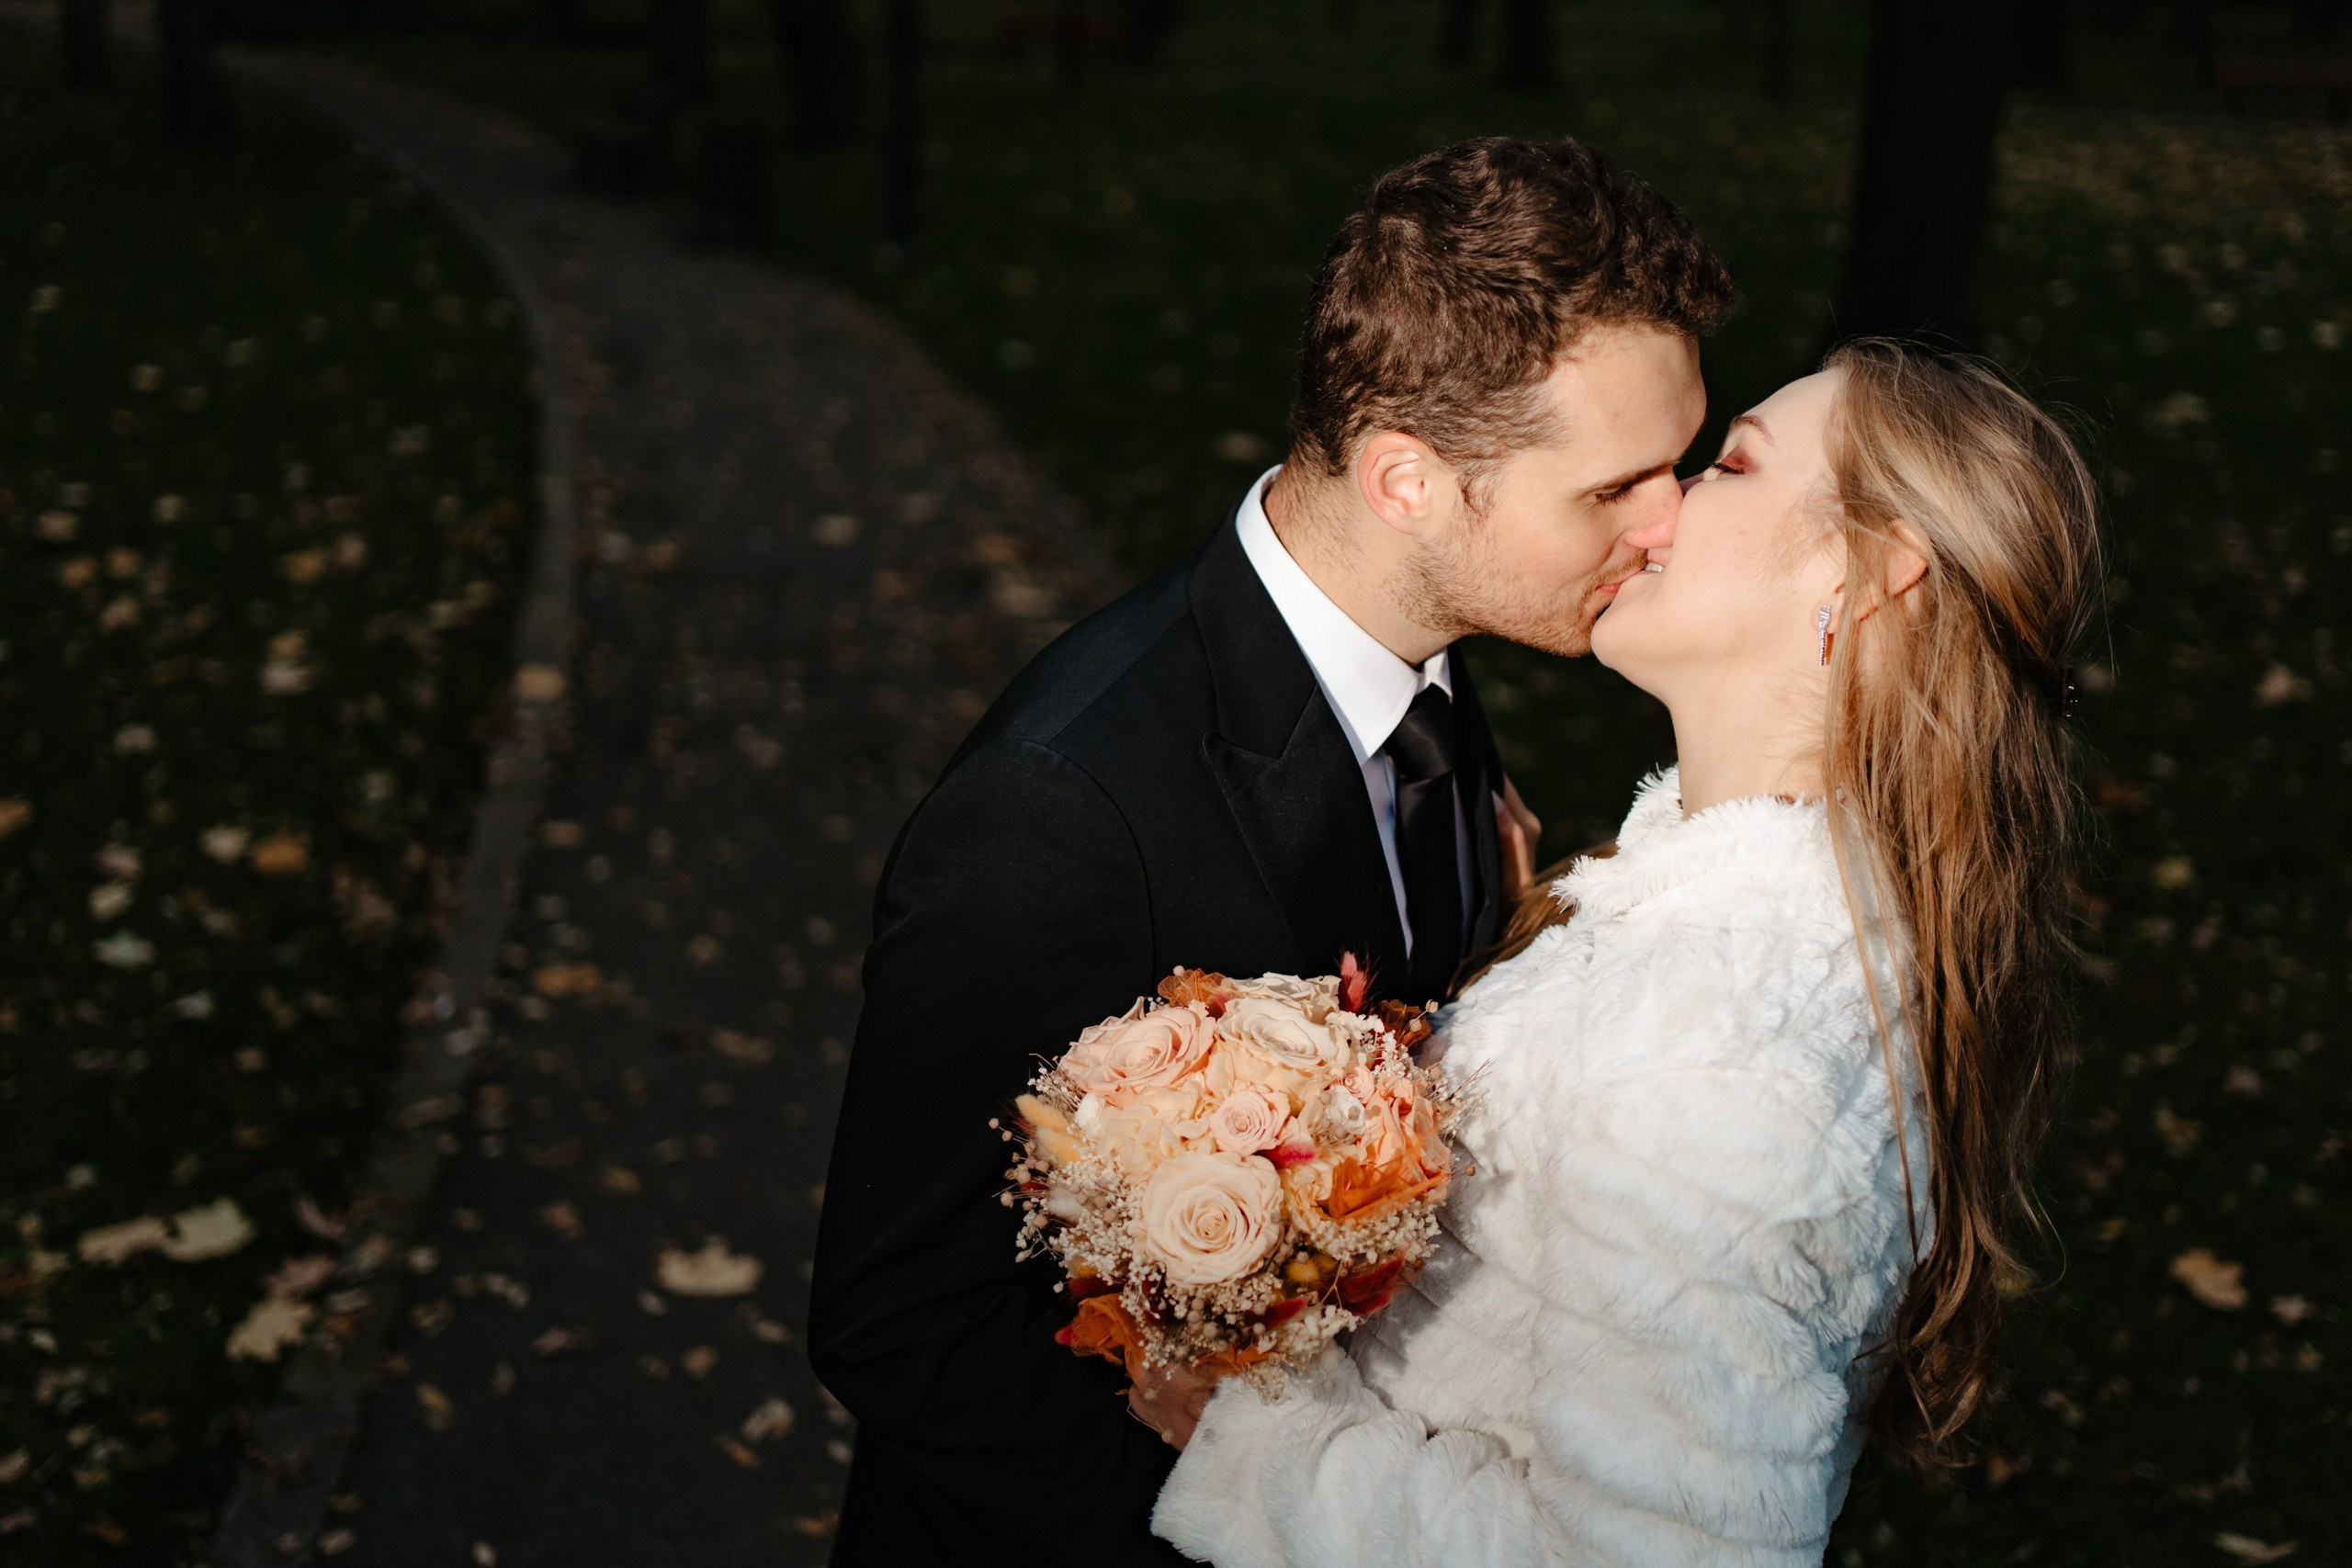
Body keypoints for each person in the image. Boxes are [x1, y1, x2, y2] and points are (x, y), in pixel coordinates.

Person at [807, 137, 1734, 1566]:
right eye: (1617, 489)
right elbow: (901, 1323)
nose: (1672, 526)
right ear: (1407, 480)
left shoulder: (1420, 660)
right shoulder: (1057, 816)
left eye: (1678, 463)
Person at [1140, 338, 2101, 1566]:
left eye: (1730, 466)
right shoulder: (1744, 938)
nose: (1658, 504)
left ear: (1873, 580)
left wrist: (1247, 1444)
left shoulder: (1718, 1042)